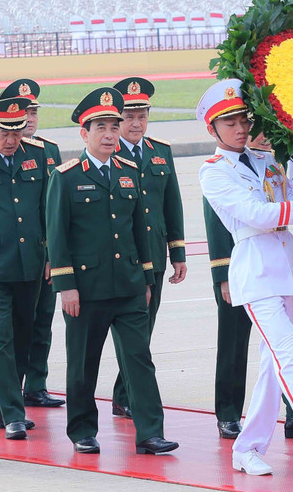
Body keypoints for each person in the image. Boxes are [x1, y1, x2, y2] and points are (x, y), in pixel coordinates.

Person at [197, 78, 293, 479]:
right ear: (211, 129)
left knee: (273, 365)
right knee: (290, 360)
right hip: (255, 272)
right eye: (229, 122)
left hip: (289, 270)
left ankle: (247, 448)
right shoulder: (213, 172)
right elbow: (260, 215)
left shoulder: (269, 159)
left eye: (244, 119)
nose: (241, 128)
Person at [47, 87, 178, 455]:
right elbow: (56, 235)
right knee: (83, 364)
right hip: (86, 291)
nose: (109, 134)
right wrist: (66, 286)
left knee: (139, 360)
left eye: (113, 127)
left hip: (130, 286)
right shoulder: (67, 176)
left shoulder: (129, 172)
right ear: (83, 133)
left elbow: (141, 228)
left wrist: (148, 279)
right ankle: (83, 431)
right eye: (100, 127)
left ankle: (150, 432)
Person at [203, 131, 293, 441]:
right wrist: (222, 274)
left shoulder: (271, 163)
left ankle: (292, 411)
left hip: (273, 265)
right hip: (238, 266)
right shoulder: (223, 168)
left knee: (283, 345)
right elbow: (217, 224)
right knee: (234, 343)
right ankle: (229, 413)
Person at [0, 97, 48, 439]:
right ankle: (13, 414)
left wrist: (50, 257)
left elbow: (47, 209)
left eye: (17, 132)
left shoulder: (38, 156)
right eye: (4, 132)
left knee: (23, 340)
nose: (12, 140)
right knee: (1, 340)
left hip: (30, 262)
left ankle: (2, 407)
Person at [108, 77, 186, 419]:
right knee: (134, 332)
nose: (136, 122)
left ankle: (124, 394)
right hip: (124, 260)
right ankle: (128, 396)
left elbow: (172, 204)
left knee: (145, 330)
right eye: (129, 116)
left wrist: (177, 253)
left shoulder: (160, 151)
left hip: (154, 255)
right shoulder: (108, 154)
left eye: (142, 114)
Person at [0, 78, 66, 409]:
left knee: (41, 322)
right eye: (24, 112)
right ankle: (3, 383)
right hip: (8, 260)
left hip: (42, 254)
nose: (30, 117)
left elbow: (51, 209)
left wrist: (53, 255)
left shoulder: (48, 151)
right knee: (8, 330)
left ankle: (36, 383)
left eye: (33, 111)